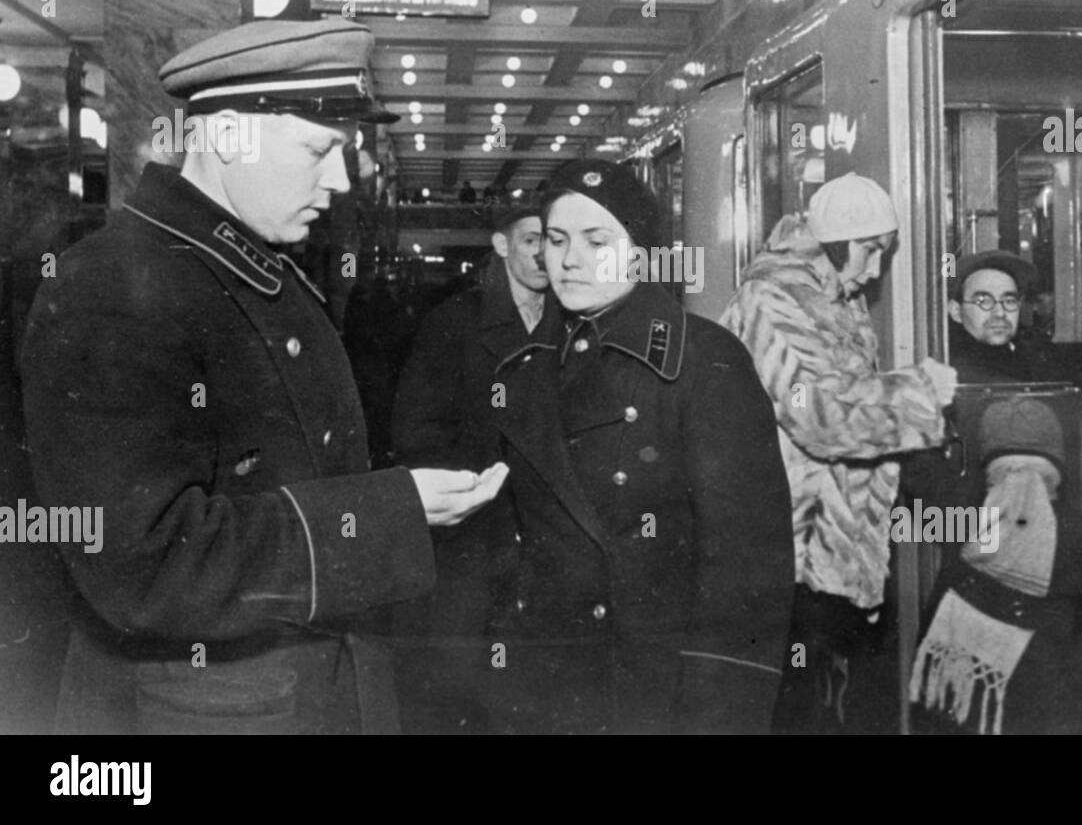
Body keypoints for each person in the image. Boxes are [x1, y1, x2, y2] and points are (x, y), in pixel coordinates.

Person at [19, 19, 507, 734]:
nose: (340, 181)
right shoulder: (111, 286)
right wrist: (386, 513)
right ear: (223, 137)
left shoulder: (251, 263)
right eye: (320, 150)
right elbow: (141, 564)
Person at [482, 159, 794, 734]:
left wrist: (719, 717)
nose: (570, 259)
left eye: (597, 240)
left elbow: (747, 569)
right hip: (546, 685)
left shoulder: (703, 360)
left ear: (642, 253)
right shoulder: (527, 367)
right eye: (556, 239)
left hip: (654, 692)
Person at [718, 172, 957, 733]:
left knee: (825, 703)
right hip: (786, 550)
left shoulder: (831, 295)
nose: (875, 271)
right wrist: (918, 392)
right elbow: (821, 417)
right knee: (794, 709)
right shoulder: (772, 298)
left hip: (824, 549)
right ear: (835, 242)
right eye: (871, 251)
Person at [390, 202, 549, 732]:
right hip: (472, 535)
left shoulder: (570, 322)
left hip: (543, 534)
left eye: (552, 239)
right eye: (531, 240)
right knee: (458, 676)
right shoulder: (455, 321)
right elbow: (416, 430)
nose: (545, 252)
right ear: (502, 245)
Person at [908, 397, 1082, 734]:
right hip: (1042, 708)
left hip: (958, 702)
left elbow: (919, 472)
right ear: (1058, 463)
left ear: (989, 460)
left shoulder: (960, 510)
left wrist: (929, 411)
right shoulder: (1080, 530)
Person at [947, 251, 1063, 384]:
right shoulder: (949, 373)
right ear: (956, 311)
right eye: (984, 301)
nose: (1000, 313)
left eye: (1009, 301)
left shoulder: (1036, 356)